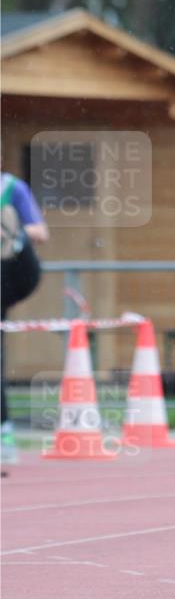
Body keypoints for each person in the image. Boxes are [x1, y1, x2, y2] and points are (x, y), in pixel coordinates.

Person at [1, 169, 49, 471]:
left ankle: (4, 435)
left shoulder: (10, 188)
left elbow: (41, 233)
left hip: (14, 271)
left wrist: (11, 230)